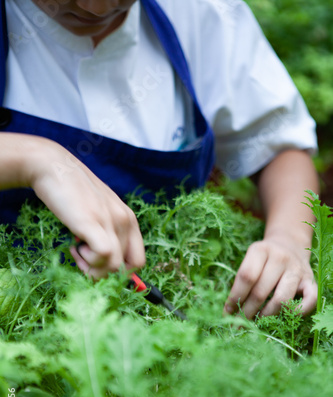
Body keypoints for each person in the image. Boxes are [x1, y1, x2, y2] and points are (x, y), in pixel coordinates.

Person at [0, 0, 320, 319]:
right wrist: (33, 159)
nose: (96, 9)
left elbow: (279, 146)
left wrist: (289, 239)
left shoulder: (200, 11)